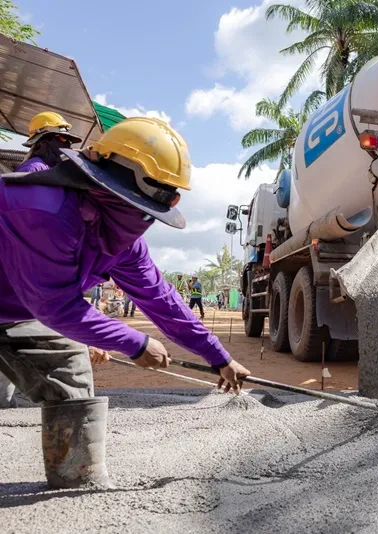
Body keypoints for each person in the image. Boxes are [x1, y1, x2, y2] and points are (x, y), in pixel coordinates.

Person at [0, 117, 251, 488]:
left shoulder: (122, 240)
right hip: (32, 303)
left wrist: (219, 358)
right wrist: (135, 342)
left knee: (70, 372)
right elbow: (55, 306)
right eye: (135, 205)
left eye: (149, 210)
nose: (140, 220)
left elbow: (161, 299)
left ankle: (76, 482)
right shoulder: (42, 207)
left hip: (20, 310)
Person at [15, 111, 83, 173]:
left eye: (69, 140)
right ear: (43, 140)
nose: (67, 144)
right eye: (62, 138)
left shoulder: (55, 170)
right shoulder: (33, 168)